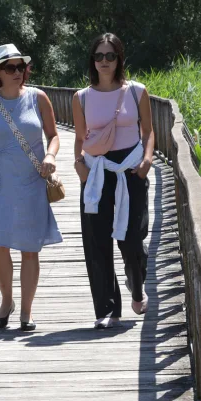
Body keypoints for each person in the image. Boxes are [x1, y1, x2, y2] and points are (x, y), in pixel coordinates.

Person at [0, 44, 62, 332]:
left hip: (31, 181)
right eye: (10, 68)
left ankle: (26, 312)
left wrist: (50, 155)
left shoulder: (38, 98)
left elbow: (54, 135)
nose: (18, 72)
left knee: (30, 248)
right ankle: (7, 301)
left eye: (21, 67)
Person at [71, 33, 155, 329]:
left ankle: (137, 284)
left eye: (110, 56)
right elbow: (80, 138)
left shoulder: (137, 91)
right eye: (98, 56)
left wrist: (146, 161)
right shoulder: (81, 97)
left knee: (132, 239)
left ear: (119, 58)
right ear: (91, 60)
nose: (104, 61)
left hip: (131, 171)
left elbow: (148, 131)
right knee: (97, 242)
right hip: (96, 173)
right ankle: (107, 308)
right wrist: (79, 165)